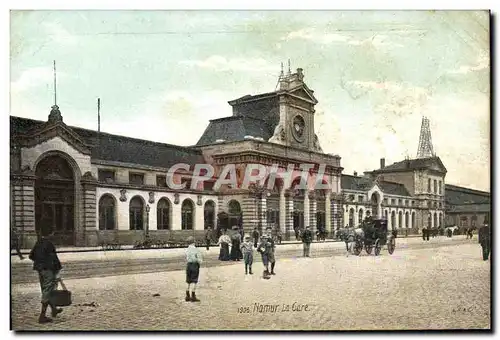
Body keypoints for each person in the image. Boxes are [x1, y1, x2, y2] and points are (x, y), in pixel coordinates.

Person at [29, 226, 63, 324]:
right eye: (52, 233)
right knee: (47, 291)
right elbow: (55, 259)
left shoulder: (38, 242)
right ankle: (42, 316)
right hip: (48, 270)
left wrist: (40, 262)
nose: (53, 234)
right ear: (50, 233)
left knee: (47, 290)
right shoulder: (49, 244)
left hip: (40, 270)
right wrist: (57, 272)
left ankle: (54, 310)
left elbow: (31, 256)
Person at [185, 236, 202, 302]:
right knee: (194, 280)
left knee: (188, 280)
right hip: (194, 265)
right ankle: (193, 295)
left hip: (188, 265)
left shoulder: (187, 249)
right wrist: (199, 261)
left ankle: (187, 295)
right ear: (193, 242)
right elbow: (199, 259)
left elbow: (187, 257)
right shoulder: (196, 249)